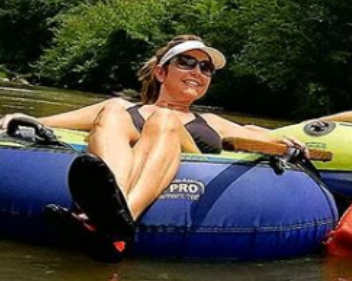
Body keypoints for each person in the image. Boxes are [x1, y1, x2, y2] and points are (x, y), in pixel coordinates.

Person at [0, 34, 306, 261]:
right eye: (186, 62)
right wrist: (14, 117)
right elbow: (46, 123)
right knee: (112, 111)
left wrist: (282, 141)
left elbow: (255, 133)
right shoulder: (120, 109)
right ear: (161, 72)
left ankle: (116, 223)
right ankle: (107, 217)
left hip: (190, 163)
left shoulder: (213, 120)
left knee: (164, 119)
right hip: (121, 161)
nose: (197, 72)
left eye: (206, 68)